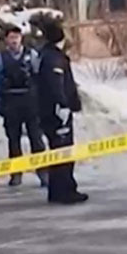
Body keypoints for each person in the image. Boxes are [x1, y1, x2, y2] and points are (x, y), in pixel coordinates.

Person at [0, 26, 47, 187]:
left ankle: (43, 173)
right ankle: (16, 173)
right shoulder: (0, 59)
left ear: (21, 38)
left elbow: (41, 77)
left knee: (36, 139)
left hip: (30, 101)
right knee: (13, 140)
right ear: (6, 40)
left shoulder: (31, 55)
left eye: (17, 37)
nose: (14, 41)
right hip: (10, 103)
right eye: (11, 38)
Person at [37, 21, 88, 204]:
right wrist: (63, 106)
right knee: (63, 152)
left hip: (51, 112)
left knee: (58, 152)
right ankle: (64, 191)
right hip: (57, 114)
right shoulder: (54, 58)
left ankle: (58, 190)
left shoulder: (47, 55)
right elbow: (55, 85)